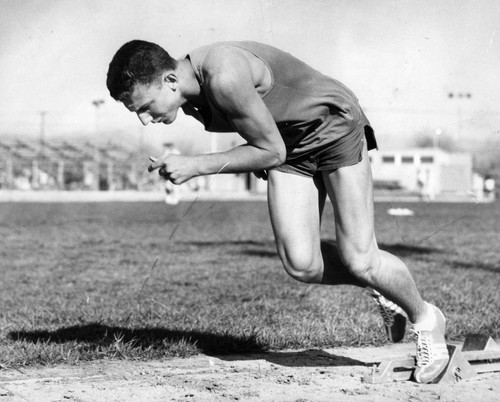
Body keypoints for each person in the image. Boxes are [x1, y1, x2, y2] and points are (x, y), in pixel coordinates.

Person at [106, 40, 449, 383]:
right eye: (136, 112)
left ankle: (425, 317)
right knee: (301, 263)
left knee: (361, 258)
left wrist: (196, 165)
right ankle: (383, 288)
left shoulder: (222, 75)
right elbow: (266, 135)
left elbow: (269, 150)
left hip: (333, 126)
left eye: (146, 106)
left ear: (169, 80)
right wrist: (257, 152)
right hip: (291, 147)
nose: (145, 119)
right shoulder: (191, 97)